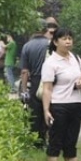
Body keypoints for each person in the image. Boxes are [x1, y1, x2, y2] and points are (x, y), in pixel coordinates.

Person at [41, 27, 81, 161]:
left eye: (70, 38)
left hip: (75, 104)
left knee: (71, 142)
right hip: (58, 105)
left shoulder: (75, 58)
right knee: (55, 142)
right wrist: (46, 110)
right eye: (64, 39)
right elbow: (47, 88)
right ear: (55, 42)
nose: (68, 41)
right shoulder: (51, 63)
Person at [19, 18, 59, 147]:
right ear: (45, 30)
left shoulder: (27, 46)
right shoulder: (50, 44)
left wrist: (24, 90)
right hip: (50, 81)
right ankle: (50, 139)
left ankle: (37, 142)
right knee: (49, 110)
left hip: (35, 81)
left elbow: (25, 71)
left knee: (35, 113)